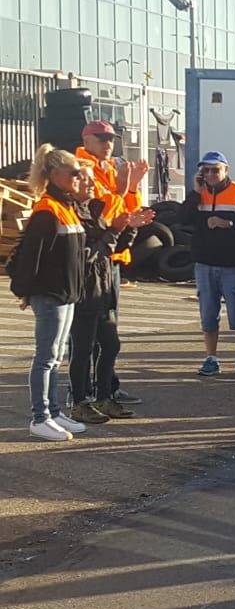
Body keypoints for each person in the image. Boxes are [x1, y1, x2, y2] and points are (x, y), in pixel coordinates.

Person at [7, 147, 95, 440]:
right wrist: (25, 290)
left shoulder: (67, 206)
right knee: (45, 357)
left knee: (56, 357)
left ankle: (54, 412)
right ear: (55, 175)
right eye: (73, 172)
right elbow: (32, 255)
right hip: (51, 293)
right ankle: (40, 416)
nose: (78, 177)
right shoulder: (47, 210)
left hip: (66, 292)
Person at [67, 160, 153, 424]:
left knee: (111, 344)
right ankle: (79, 401)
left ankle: (104, 397)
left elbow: (111, 248)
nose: (92, 184)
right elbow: (87, 254)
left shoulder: (94, 209)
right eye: (86, 180)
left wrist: (130, 226)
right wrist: (115, 229)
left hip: (102, 289)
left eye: (93, 180)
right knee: (82, 349)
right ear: (72, 182)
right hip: (84, 291)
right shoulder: (73, 213)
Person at [181, 151, 235, 378]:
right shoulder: (199, 194)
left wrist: (227, 223)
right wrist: (195, 193)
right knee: (208, 314)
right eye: (205, 170)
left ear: (226, 170)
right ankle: (211, 358)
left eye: (215, 169)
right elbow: (183, 219)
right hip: (204, 264)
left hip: (232, 265)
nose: (210, 174)